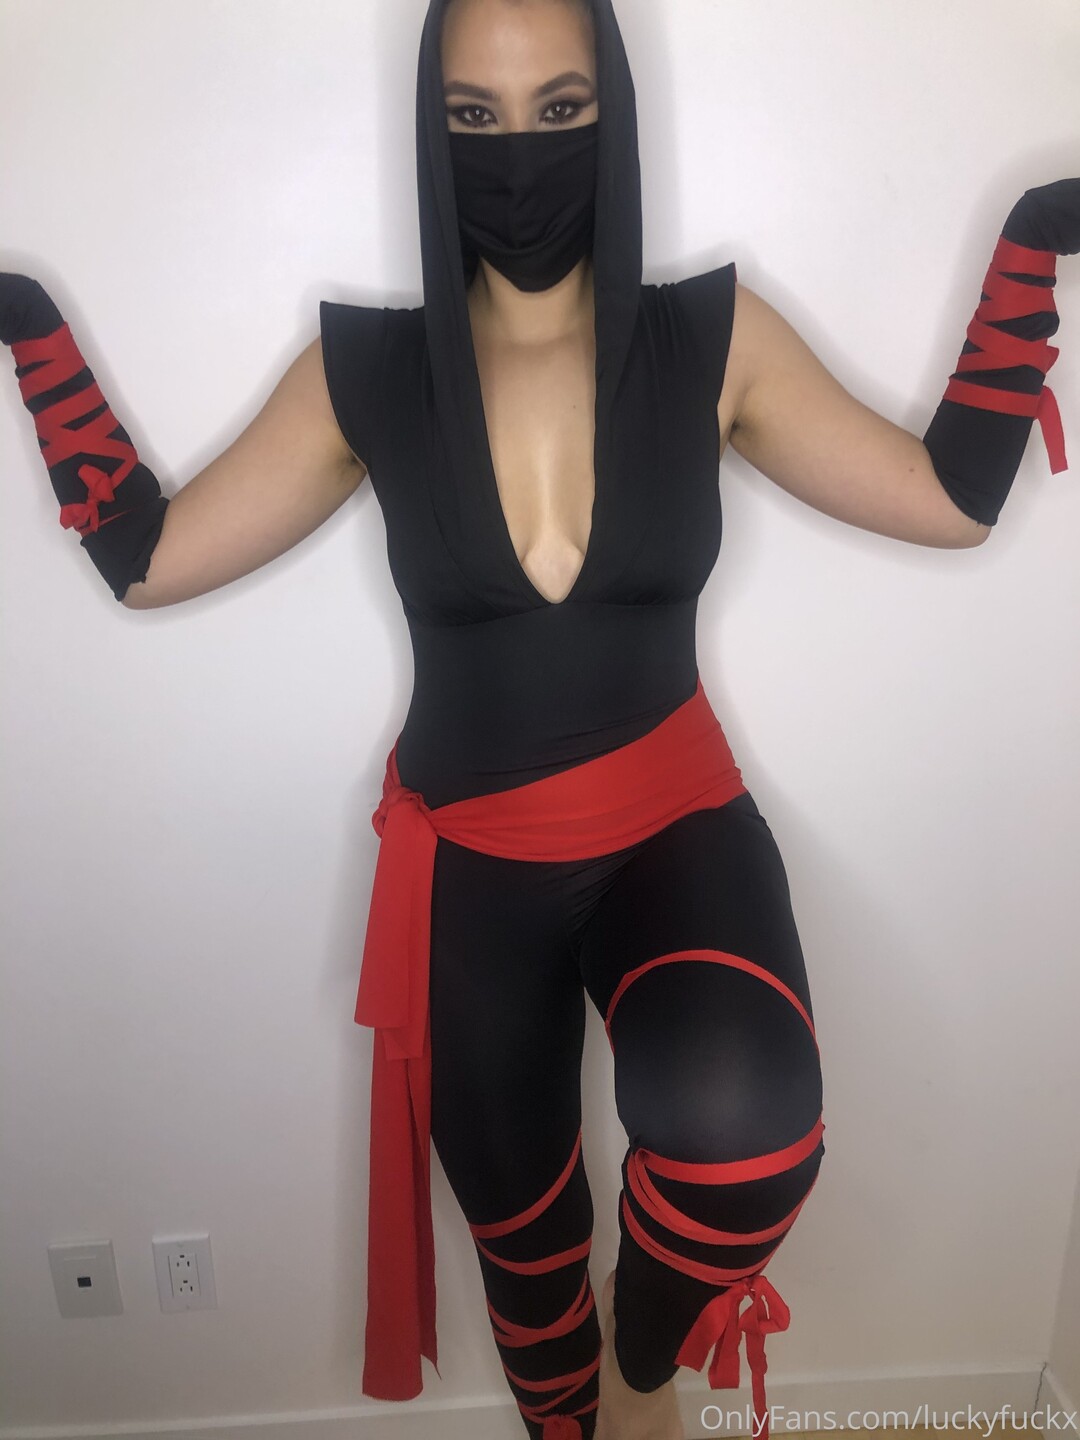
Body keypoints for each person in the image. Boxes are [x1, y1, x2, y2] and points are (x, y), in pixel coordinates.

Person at [1, 2, 1075, 1437]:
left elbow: (947, 499)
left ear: (613, 112)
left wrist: (1033, 245)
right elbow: (147, 560)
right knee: (527, 1259)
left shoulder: (713, 341)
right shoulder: (367, 372)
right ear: (430, 133)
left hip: (675, 829)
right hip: (472, 875)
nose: (519, 154)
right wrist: (27, 325)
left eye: (560, 110)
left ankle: (644, 1376)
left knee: (746, 1140)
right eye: (476, 118)